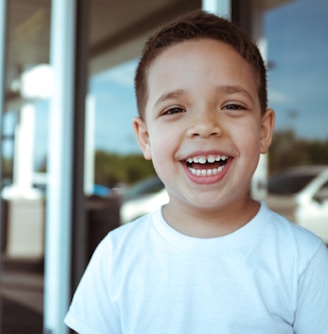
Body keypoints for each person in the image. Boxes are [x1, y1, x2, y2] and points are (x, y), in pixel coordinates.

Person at [65, 10, 328, 334]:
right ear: (145, 138)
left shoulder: (304, 259)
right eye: (174, 109)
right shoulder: (116, 256)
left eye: (232, 105)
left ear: (263, 130)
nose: (204, 127)